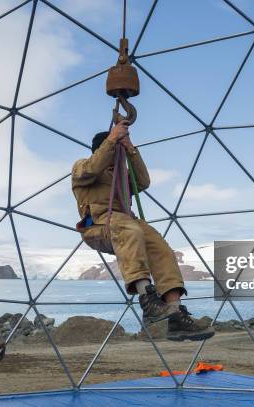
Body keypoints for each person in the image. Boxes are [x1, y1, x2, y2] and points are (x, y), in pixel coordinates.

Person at [71, 121, 214, 341]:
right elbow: (92, 167)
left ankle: (175, 313)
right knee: (128, 228)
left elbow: (143, 181)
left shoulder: (121, 174)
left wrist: (131, 150)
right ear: (103, 149)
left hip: (126, 224)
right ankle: (148, 300)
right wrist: (112, 139)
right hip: (99, 227)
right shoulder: (83, 167)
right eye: (114, 150)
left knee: (160, 246)